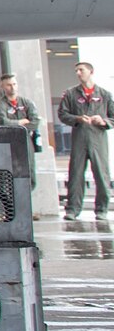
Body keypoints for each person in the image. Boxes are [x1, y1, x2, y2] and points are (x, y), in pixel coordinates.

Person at [59, 62, 114, 220]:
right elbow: (62, 114)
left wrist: (103, 121)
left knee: (102, 175)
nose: (78, 73)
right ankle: (72, 210)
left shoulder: (104, 94)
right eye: (76, 70)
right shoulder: (70, 94)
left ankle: (102, 209)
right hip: (79, 138)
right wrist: (77, 118)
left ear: (91, 71)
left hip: (98, 138)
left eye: (81, 70)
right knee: (76, 174)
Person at [0, 74, 42, 152]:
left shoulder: (27, 102)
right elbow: (3, 122)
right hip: (7, 143)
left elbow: (35, 122)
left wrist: (16, 127)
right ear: (2, 87)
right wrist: (20, 122)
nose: (12, 87)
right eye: (9, 85)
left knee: (29, 163)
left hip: (26, 141)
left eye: (14, 84)